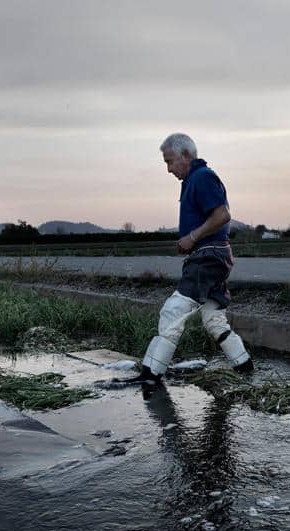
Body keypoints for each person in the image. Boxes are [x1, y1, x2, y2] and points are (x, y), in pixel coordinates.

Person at [121, 133, 253, 385]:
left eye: (170, 162)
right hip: (214, 255)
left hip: (208, 256)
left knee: (173, 311)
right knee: (213, 319)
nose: (169, 169)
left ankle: (150, 376)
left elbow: (222, 215)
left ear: (186, 156)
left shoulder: (202, 177)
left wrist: (192, 237)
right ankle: (245, 367)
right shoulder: (195, 178)